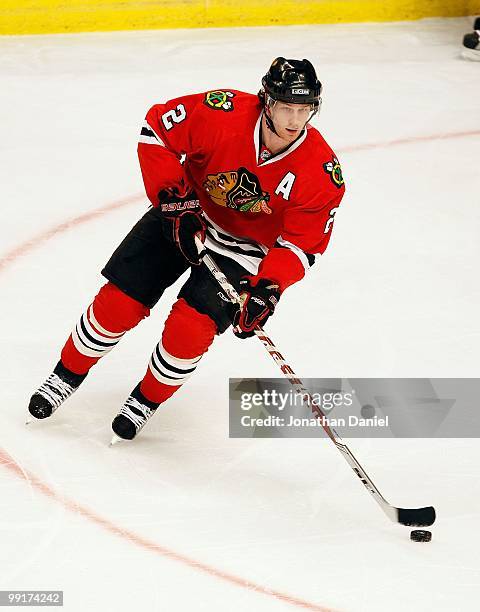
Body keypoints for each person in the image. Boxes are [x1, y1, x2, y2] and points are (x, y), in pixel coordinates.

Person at [28, 57, 346, 442]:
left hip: (245, 249)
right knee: (118, 304)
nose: (295, 120)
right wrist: (175, 203)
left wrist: (268, 287)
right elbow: (156, 130)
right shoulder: (221, 112)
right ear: (266, 100)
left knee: (189, 330)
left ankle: (144, 401)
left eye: (304, 109)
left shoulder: (321, 171)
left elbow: (301, 246)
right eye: (286, 107)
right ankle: (66, 375)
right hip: (187, 211)